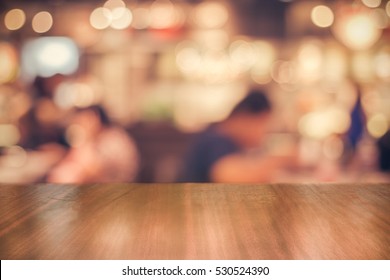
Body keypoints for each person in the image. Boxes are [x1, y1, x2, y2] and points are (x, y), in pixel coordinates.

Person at [178, 89, 296, 183]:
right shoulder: (217, 139)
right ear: (245, 117)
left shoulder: (220, 133)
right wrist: (281, 160)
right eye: (264, 125)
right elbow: (230, 177)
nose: (265, 133)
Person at [47, 105, 139, 183]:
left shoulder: (112, 139)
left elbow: (91, 173)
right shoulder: (98, 137)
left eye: (84, 120)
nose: (81, 125)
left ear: (95, 118)